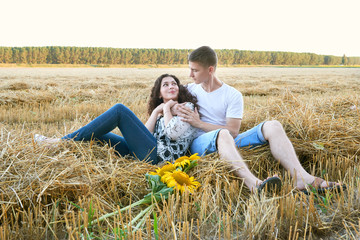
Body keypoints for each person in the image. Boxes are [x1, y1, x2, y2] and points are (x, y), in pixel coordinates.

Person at [175, 46, 343, 194]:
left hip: (227, 140)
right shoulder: (189, 90)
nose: (190, 75)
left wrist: (199, 123)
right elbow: (162, 100)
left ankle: (302, 178)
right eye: (190, 69)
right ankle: (254, 184)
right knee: (223, 134)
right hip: (199, 144)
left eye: (194, 70)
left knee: (273, 126)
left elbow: (233, 131)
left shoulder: (232, 95)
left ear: (210, 70)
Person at [34, 74, 198, 165]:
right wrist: (156, 111)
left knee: (120, 110)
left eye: (174, 84)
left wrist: (168, 108)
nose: (171, 86)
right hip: (147, 153)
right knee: (97, 136)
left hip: (160, 159)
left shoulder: (187, 107)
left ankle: (58, 142)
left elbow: (172, 134)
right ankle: (61, 149)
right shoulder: (162, 111)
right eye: (165, 85)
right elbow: (146, 133)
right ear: (158, 94)